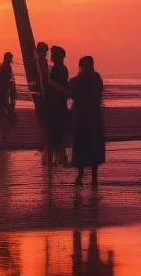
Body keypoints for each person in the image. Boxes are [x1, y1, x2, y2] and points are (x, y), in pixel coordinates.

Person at [70, 56, 106, 188]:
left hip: (81, 118)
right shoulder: (97, 79)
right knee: (94, 147)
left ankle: (80, 176)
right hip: (95, 117)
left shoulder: (79, 81)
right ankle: (94, 178)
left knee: (81, 147)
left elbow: (72, 93)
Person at [45, 45, 70, 167]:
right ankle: (60, 158)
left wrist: (51, 83)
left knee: (56, 132)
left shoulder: (58, 69)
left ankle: (58, 159)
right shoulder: (60, 68)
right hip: (58, 103)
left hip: (57, 104)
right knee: (57, 132)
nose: (51, 56)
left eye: (53, 54)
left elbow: (60, 87)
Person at [0, 52, 17, 143]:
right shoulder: (6, 67)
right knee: (8, 113)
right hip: (4, 93)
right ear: (7, 58)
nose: (11, 60)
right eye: (10, 59)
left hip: (0, 92)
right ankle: (3, 133)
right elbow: (6, 81)